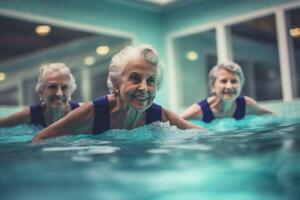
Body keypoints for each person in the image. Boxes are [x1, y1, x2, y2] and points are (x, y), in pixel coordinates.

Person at [32, 44, 203, 143]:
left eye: (150, 81)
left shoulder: (160, 115)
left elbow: (202, 134)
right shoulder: (93, 112)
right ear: (116, 82)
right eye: (135, 78)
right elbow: (41, 137)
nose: (144, 87)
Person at [180, 62, 272, 122]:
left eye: (234, 81)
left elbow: (272, 117)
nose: (229, 86)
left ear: (241, 84)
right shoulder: (199, 110)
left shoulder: (247, 104)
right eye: (224, 81)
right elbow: (173, 124)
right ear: (212, 86)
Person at [0, 63, 80, 128]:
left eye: (64, 87)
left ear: (71, 91)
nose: (59, 93)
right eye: (52, 87)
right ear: (41, 91)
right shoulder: (30, 115)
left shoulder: (81, 112)